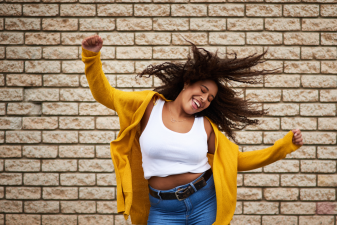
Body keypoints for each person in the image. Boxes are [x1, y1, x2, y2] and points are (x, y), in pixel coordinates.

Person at [81, 34, 304, 225]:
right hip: (162, 209)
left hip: (204, 202)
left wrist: (284, 146)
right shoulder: (147, 107)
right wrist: (91, 57)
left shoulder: (205, 126)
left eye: (210, 98)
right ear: (187, 82)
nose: (204, 99)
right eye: (203, 90)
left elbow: (238, 161)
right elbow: (106, 95)